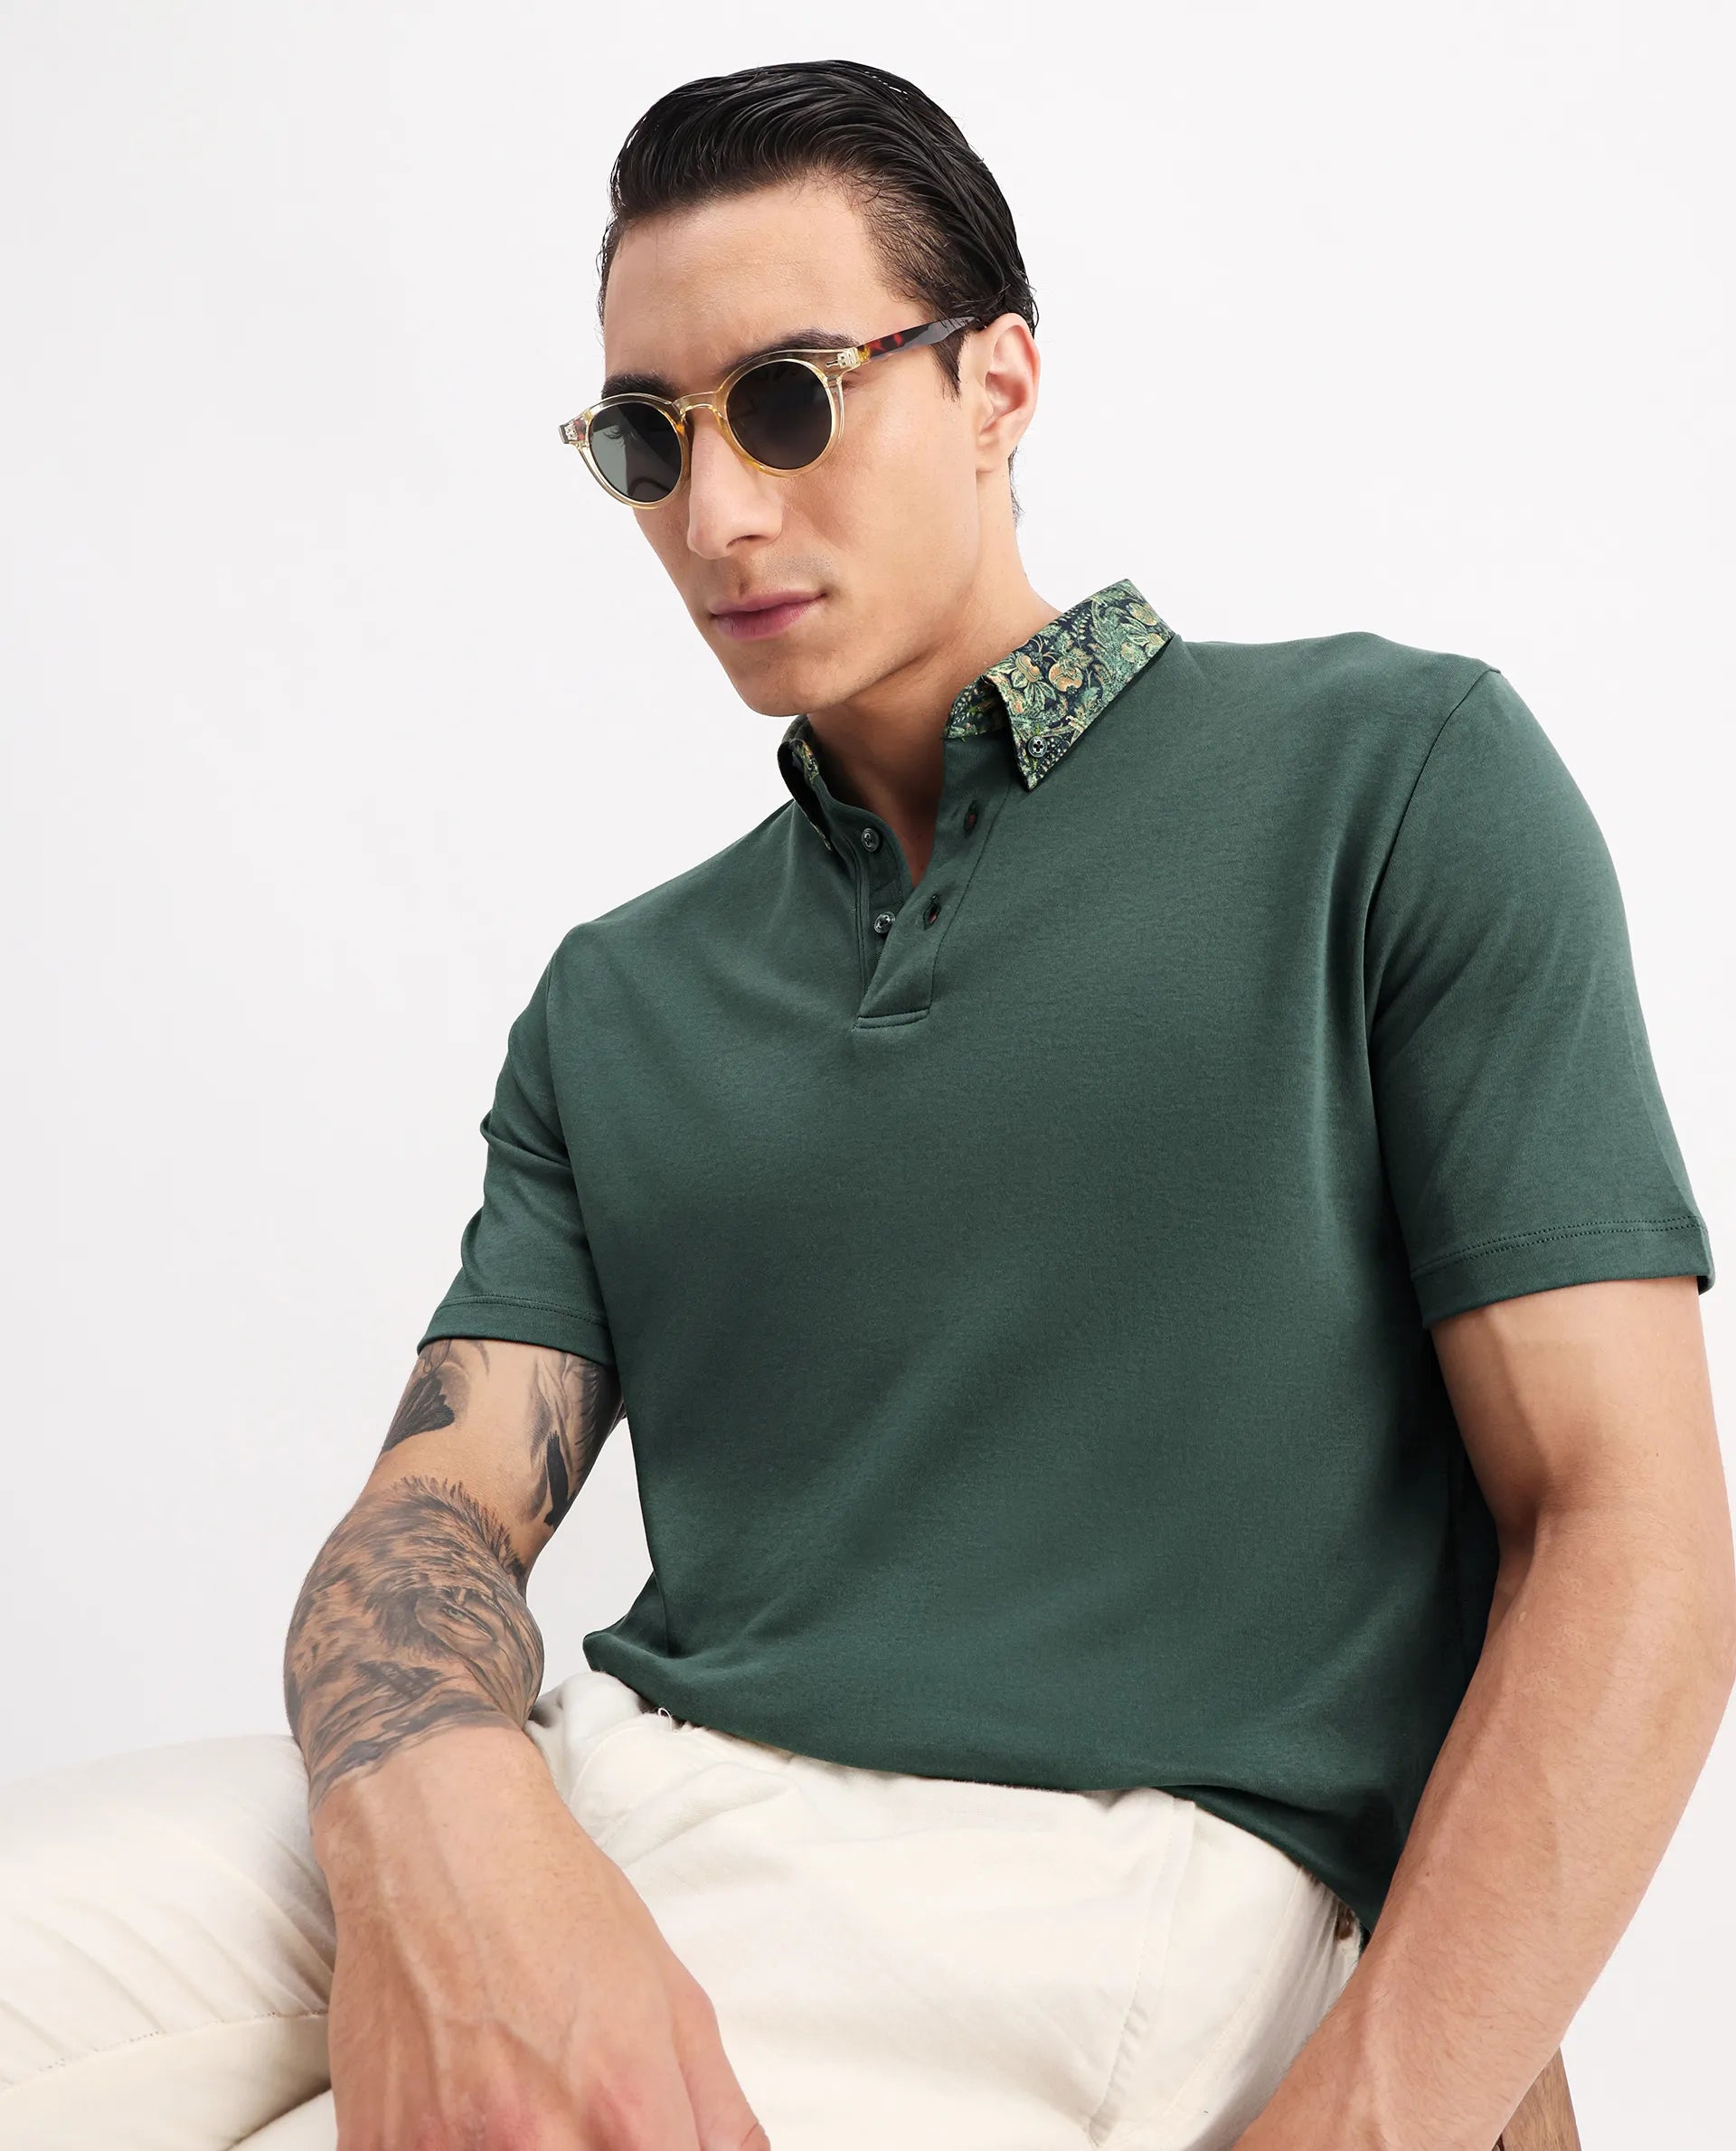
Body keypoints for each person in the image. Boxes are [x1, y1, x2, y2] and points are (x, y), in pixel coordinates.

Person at [1, 56, 1730, 2151]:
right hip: (609, 1775)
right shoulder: (622, 994)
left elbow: (1633, 1531)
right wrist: (448, 1810)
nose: (715, 515)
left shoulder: (1392, 780)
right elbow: (433, 1510)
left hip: (1100, 1880)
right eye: (649, 439)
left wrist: (1372, 2118)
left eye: (789, 401)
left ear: (1001, 381)